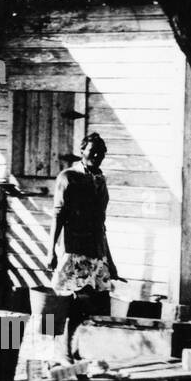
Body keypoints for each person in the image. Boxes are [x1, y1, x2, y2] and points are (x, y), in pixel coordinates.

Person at [48, 132, 118, 312]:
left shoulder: (100, 180)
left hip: (96, 251)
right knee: (66, 304)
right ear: (82, 151)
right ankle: (55, 338)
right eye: (93, 151)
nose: (97, 156)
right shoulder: (68, 177)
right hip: (74, 250)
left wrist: (109, 260)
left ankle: (89, 338)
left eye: (101, 153)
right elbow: (58, 216)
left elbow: (100, 224)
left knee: (101, 305)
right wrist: (50, 252)